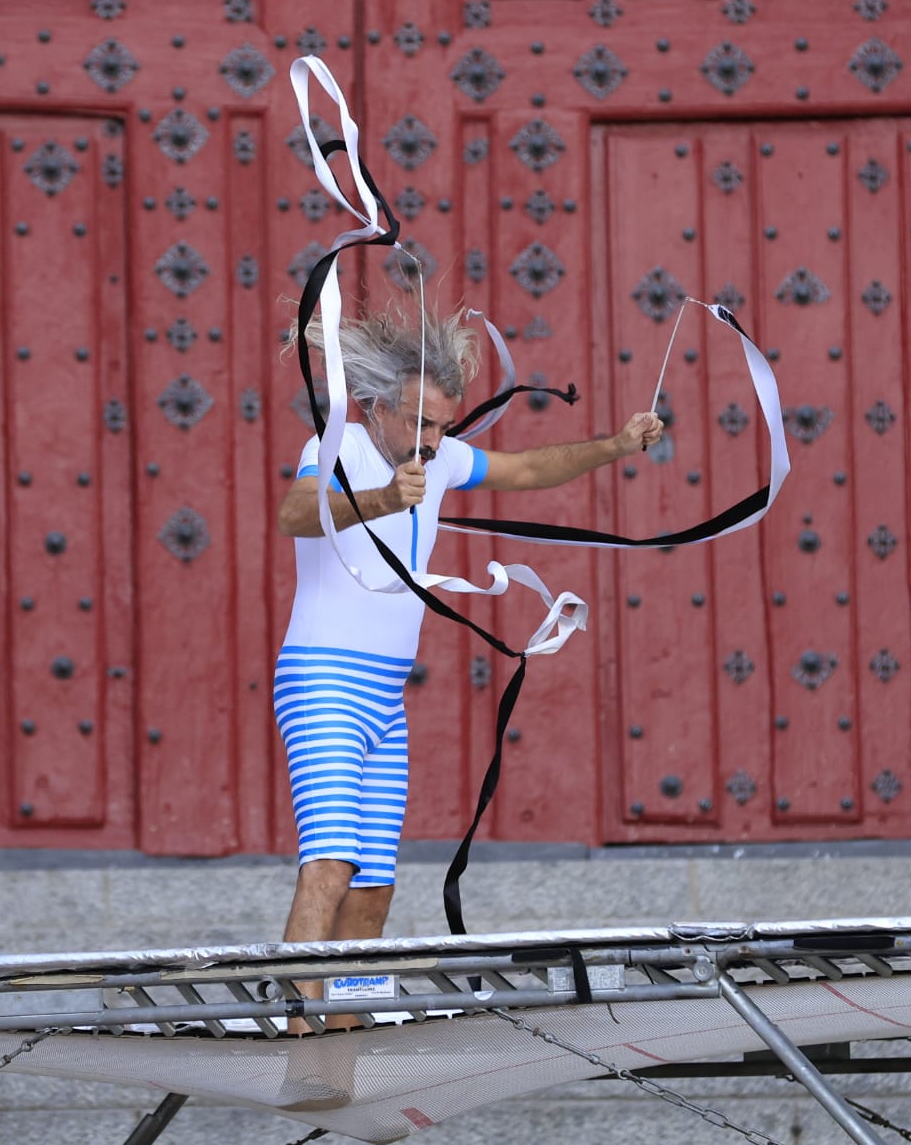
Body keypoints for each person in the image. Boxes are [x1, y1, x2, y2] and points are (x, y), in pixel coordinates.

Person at [268, 302, 661, 1102]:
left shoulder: (439, 459)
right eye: (416, 421)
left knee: (374, 886)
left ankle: (342, 1065)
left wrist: (615, 446)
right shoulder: (338, 443)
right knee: (331, 863)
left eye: (440, 426)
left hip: (383, 693)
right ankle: (290, 1047)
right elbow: (294, 513)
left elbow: (525, 469)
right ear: (376, 406)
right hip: (321, 677)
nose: (429, 440)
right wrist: (380, 501)